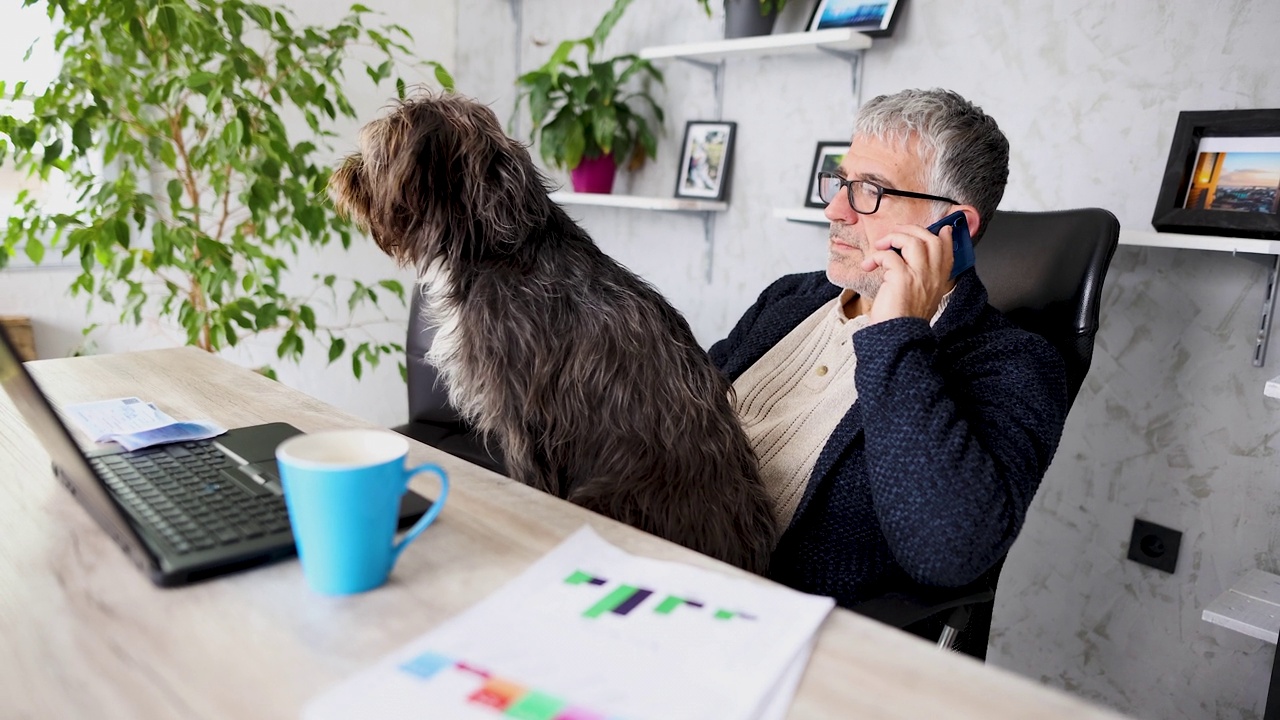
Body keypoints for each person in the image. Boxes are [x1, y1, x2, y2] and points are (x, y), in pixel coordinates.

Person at [708, 88, 1069, 610]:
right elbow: (679, 414)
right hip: (650, 559)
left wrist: (897, 333)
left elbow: (950, 553)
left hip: (764, 623)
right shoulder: (789, 298)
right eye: (840, 183)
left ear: (953, 227)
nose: (835, 208)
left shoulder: (1012, 364)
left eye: (870, 191)